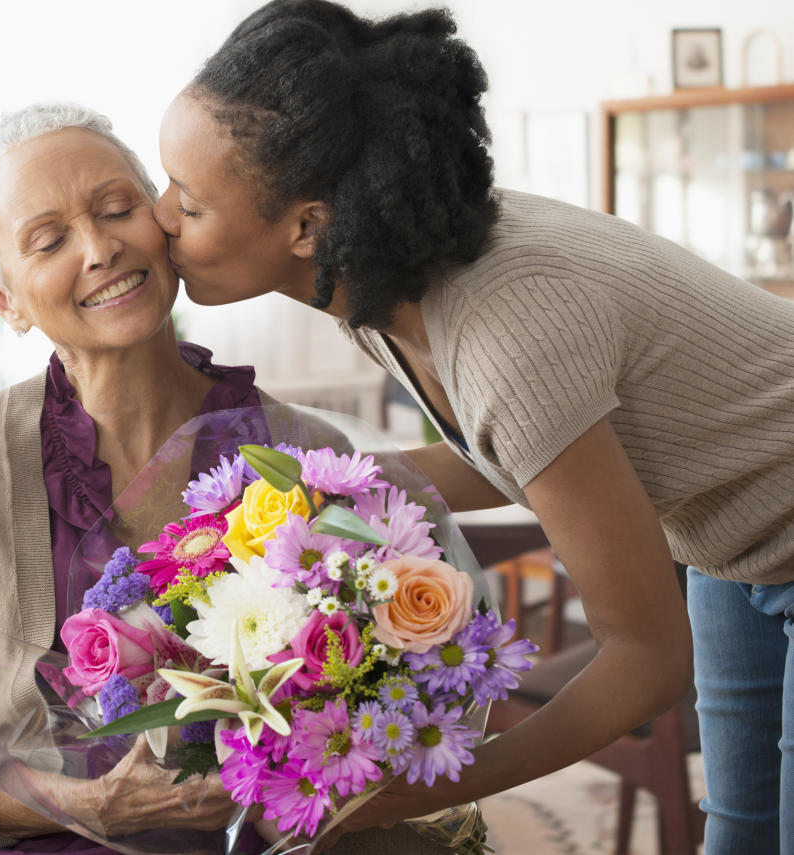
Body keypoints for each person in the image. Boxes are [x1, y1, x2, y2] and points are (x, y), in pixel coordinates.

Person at [152, 2, 794, 853]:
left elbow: (646, 655)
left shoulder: (499, 326)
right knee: (743, 837)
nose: (160, 216)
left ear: (307, 224)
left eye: (188, 203)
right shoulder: (375, 276)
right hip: (737, 536)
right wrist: (310, 501)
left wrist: (432, 779)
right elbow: (537, 448)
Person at [0, 102, 451, 855]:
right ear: (5, 300)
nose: (99, 248)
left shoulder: (302, 452)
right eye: (49, 239)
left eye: (118, 208)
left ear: (165, 221)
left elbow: (380, 710)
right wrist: (81, 804)